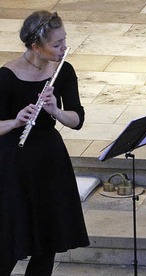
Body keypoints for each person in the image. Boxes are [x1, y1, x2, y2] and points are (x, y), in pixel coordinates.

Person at [0, 10, 89, 276]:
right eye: (57, 44)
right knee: (9, 243)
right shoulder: (5, 77)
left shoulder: (63, 70)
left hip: (50, 161)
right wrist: (15, 122)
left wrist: (56, 111)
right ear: (36, 46)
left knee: (47, 242)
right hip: (13, 165)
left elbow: (77, 119)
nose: (64, 48)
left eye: (64, 41)